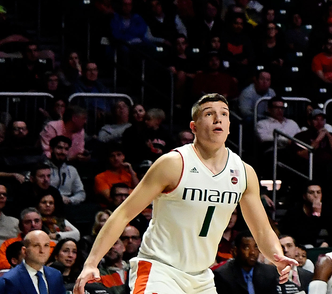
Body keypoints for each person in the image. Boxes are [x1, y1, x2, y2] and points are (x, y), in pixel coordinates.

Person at [72, 94, 297, 294]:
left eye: (224, 114)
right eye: (209, 113)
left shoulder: (244, 172)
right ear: (194, 126)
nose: (218, 118)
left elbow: (261, 229)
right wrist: (92, 263)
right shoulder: (173, 163)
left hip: (201, 277)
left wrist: (278, 257)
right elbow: (122, 214)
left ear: (229, 126)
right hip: (160, 270)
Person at [214, 233, 289, 294]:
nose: (252, 252)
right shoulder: (223, 275)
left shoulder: (269, 272)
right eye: (247, 247)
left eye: (256, 247)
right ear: (235, 251)